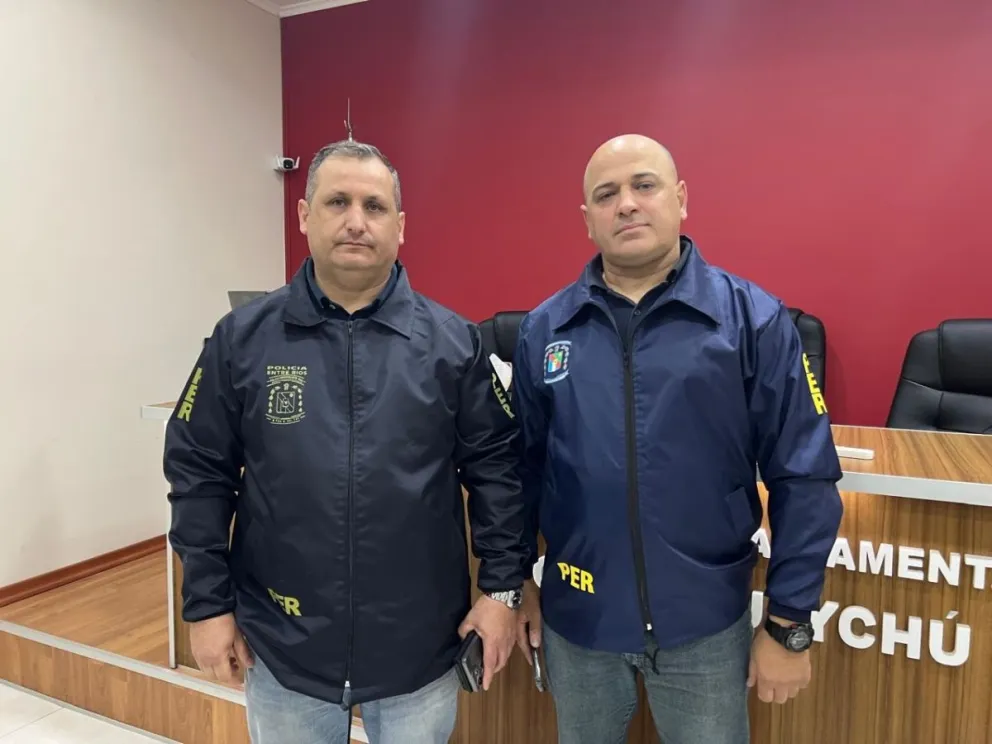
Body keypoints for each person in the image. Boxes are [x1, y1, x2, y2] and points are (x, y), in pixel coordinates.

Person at [163, 140, 529, 744]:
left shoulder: (454, 344)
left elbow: (500, 473)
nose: (356, 221)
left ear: (400, 226)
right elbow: (199, 474)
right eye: (337, 202)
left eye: (374, 206)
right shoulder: (241, 341)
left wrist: (501, 590)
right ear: (304, 216)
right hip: (283, 646)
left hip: (420, 649)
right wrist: (206, 604)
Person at [511, 134, 844, 744]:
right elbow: (521, 473)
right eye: (606, 195)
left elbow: (805, 476)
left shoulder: (753, 321)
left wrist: (789, 621)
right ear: (587, 220)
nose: (626, 204)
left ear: (681, 199)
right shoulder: (544, 330)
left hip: (706, 628)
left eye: (644, 185)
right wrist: (516, 583)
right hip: (578, 623)